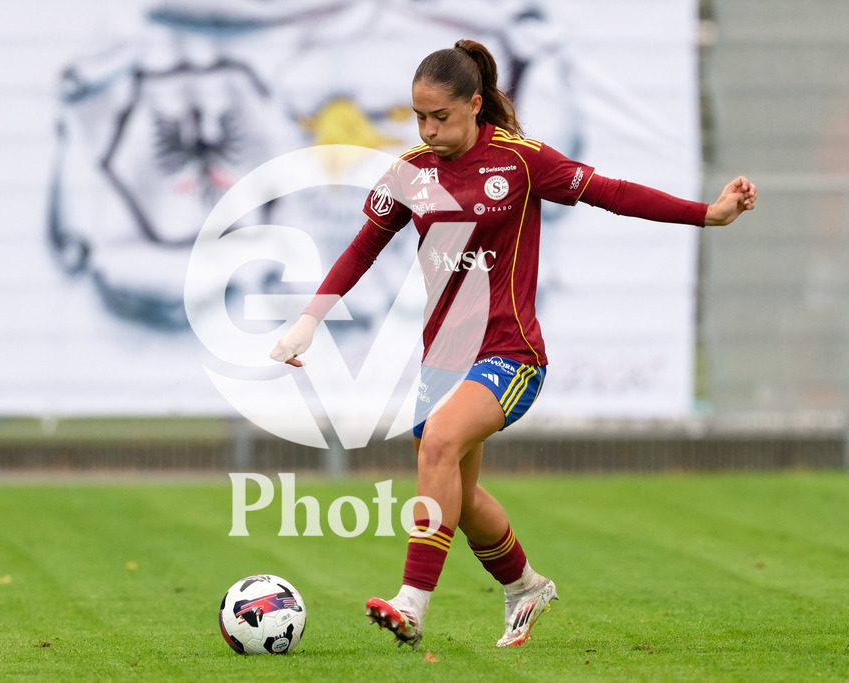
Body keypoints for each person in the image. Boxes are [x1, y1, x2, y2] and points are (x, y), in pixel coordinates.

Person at [269, 38, 756, 650]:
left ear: (475, 104)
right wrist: (310, 319)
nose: (427, 129)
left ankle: (412, 604)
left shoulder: (521, 161)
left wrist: (705, 214)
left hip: (511, 352)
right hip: (443, 359)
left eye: (439, 117)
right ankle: (525, 586)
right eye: (418, 117)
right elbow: (363, 247)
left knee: (439, 445)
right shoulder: (411, 172)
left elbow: (613, 192)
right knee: (459, 494)